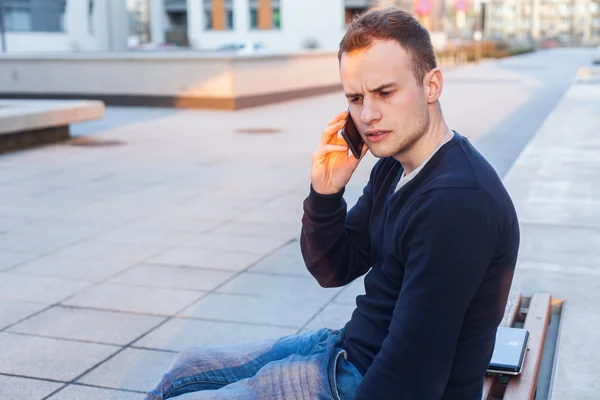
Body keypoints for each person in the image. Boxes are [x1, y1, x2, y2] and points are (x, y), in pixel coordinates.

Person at [146, 7, 519, 400]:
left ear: (432, 86)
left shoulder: (457, 204)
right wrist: (326, 193)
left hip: (368, 379)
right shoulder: (394, 167)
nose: (368, 115)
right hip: (347, 349)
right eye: (355, 98)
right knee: (186, 368)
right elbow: (334, 267)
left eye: (385, 93)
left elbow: (412, 374)